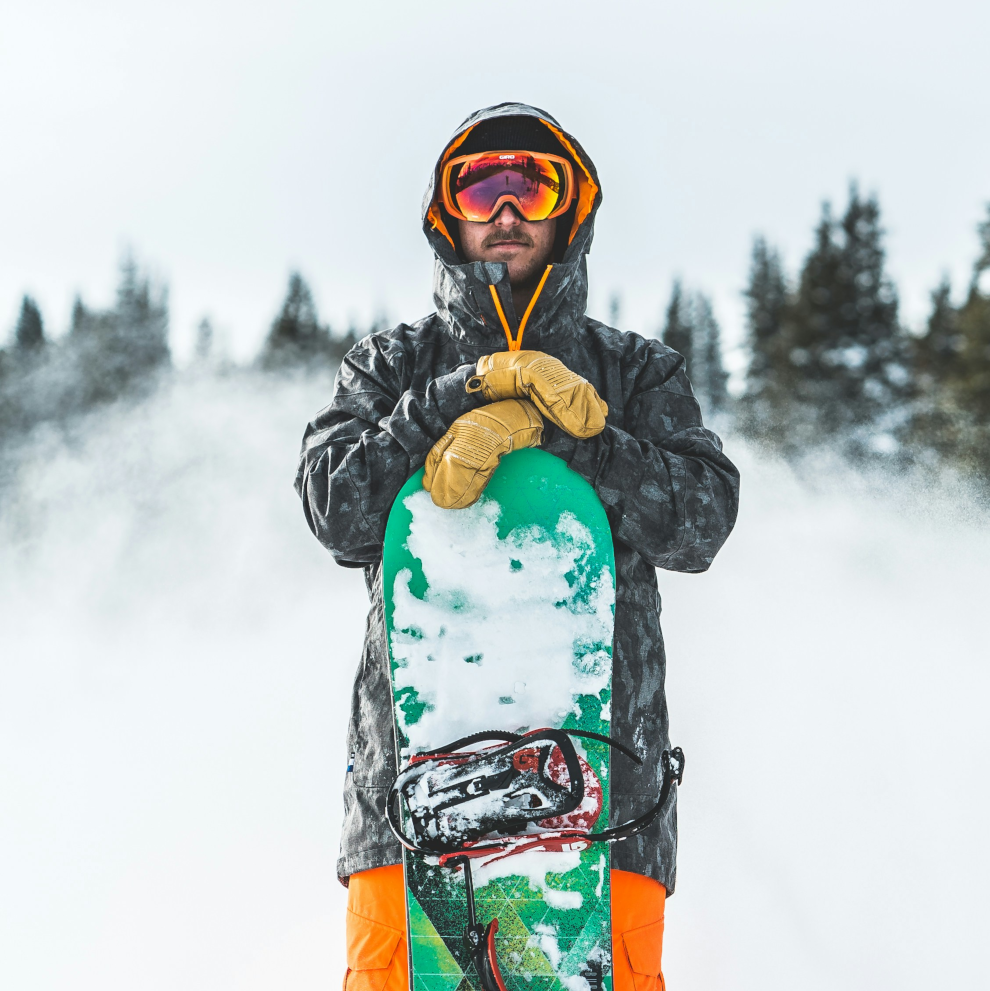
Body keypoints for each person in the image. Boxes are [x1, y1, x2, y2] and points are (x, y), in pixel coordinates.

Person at [295, 102, 739, 991]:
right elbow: (335, 508)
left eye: (529, 185)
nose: (505, 208)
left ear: (567, 211)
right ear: (447, 214)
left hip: (607, 809)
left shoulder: (636, 373)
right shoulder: (390, 369)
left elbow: (703, 519)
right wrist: (462, 396)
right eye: (481, 184)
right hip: (405, 805)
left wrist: (584, 436)